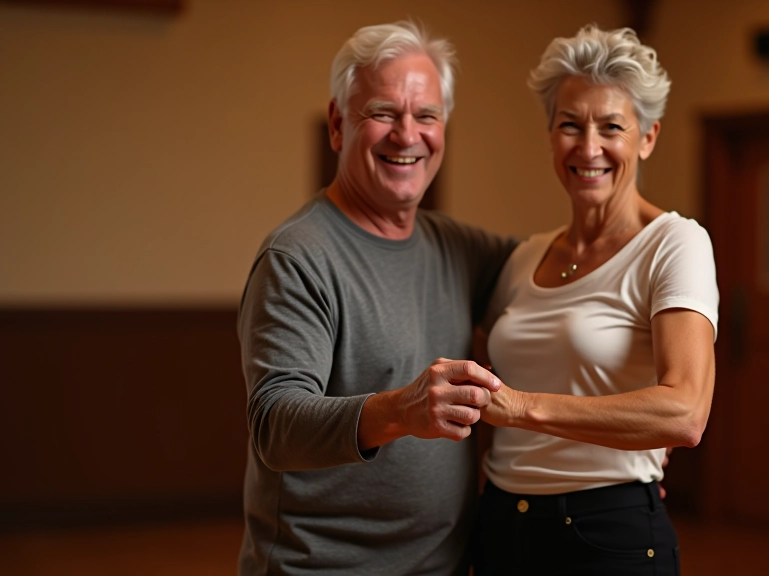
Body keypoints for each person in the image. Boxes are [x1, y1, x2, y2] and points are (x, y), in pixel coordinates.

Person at [236, 21, 518, 576]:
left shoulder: (459, 248)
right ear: (339, 125)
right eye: (383, 113)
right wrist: (402, 409)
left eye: (427, 116)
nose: (407, 135)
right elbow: (274, 424)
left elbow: (564, 273)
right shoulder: (298, 256)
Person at [472, 25, 719, 576]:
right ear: (550, 134)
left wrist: (520, 408)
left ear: (647, 137)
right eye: (569, 125)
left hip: (607, 531)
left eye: (612, 127)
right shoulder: (523, 257)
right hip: (501, 524)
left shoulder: (674, 243)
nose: (588, 148)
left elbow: (685, 413)